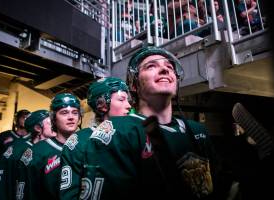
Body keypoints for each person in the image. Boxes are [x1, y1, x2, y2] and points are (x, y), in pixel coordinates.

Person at [61, 46, 217, 200]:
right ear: (134, 85)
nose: (165, 70)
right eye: (151, 66)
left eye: (169, 67)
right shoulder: (118, 130)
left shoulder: (198, 130)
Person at [59, 77, 131, 199]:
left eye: (128, 100)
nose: (129, 105)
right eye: (121, 99)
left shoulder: (134, 136)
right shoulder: (78, 142)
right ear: (102, 105)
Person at [25, 93, 81, 200]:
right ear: (53, 118)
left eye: (75, 112)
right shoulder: (38, 151)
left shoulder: (87, 146)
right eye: (64, 113)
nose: (71, 117)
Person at [0, 110, 54, 200]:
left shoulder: (54, 148)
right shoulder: (15, 150)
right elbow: (1, 182)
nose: (56, 126)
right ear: (37, 128)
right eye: (51, 123)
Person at [0, 110, 31, 177]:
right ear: (16, 120)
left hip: (24, 175)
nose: (26, 120)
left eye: (28, 118)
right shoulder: (3, 136)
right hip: (4, 174)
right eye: (23, 117)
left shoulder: (35, 138)